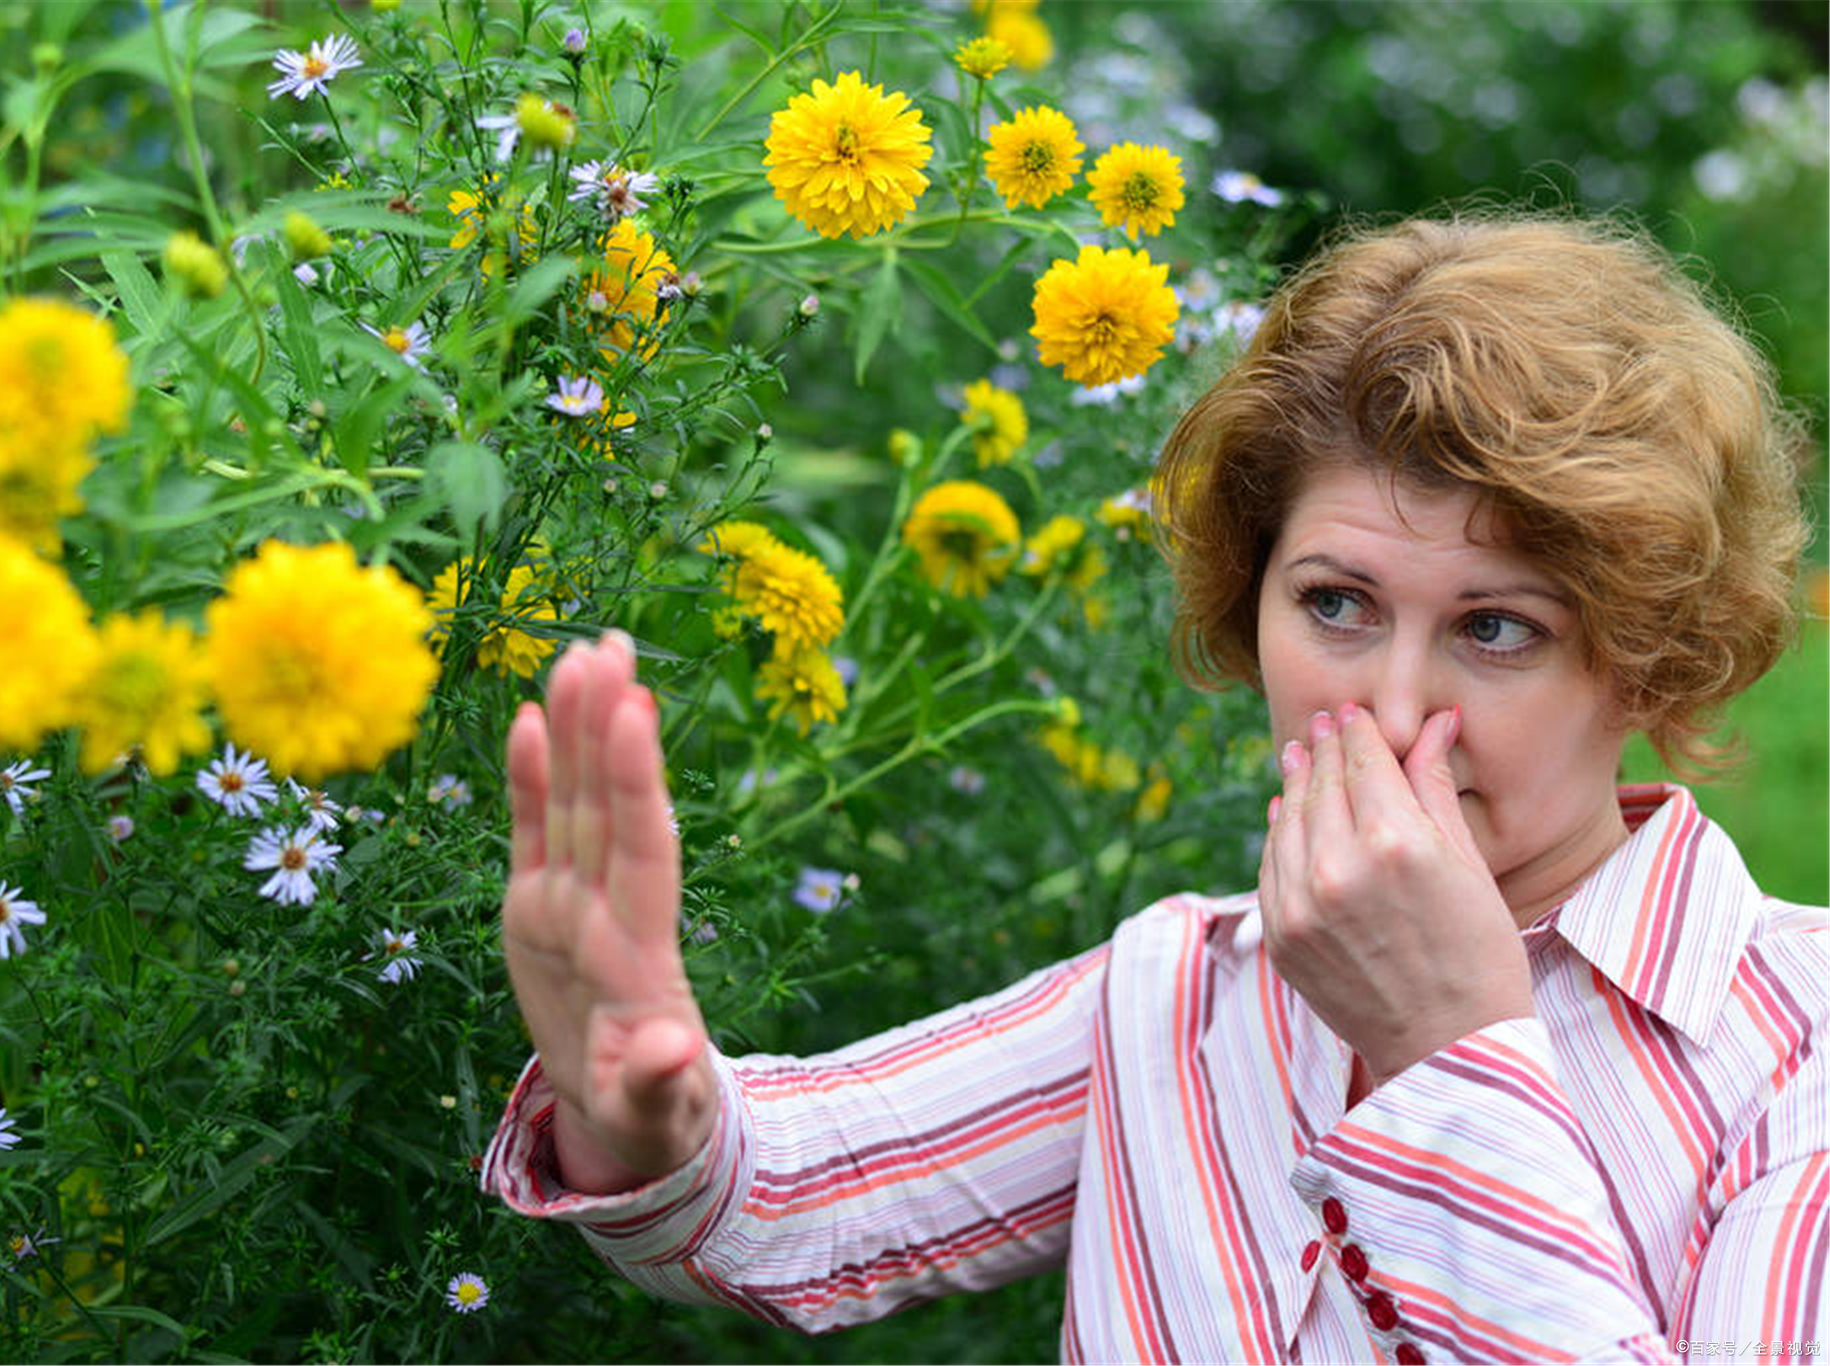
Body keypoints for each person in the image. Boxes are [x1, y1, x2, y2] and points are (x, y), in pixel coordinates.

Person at [482, 211, 1827, 1363]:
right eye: (1336, 602)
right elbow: (795, 1198)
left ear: (1653, 661)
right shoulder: (1177, 994)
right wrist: (641, 1106)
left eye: (1493, 627)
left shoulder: (1797, 1054)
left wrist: (1444, 1052)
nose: (1391, 707)